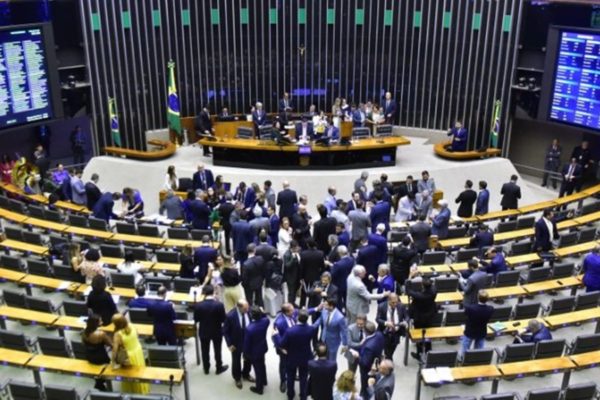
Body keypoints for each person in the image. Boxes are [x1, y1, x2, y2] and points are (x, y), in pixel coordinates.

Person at [280, 309, 318, 400]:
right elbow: (314, 342)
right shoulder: (311, 329)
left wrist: (276, 335)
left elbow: (282, 344)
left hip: (292, 357)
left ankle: (290, 395)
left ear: (297, 318)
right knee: (303, 378)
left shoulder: (290, 331)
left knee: (290, 377)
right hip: (305, 357)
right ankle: (303, 396)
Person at [194, 284, 229, 375]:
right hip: (216, 331)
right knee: (217, 350)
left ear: (204, 293)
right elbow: (223, 319)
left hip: (203, 331)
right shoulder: (219, 305)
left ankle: (206, 368)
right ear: (213, 292)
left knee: (205, 350)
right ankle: (219, 367)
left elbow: (196, 319)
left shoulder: (198, 305)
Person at [111, 314, 149, 394]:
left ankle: (134, 392)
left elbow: (115, 350)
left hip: (128, 355)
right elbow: (137, 336)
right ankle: (142, 389)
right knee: (139, 371)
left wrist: (113, 362)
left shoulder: (118, 334)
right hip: (137, 351)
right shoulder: (132, 325)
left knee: (130, 375)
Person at [223, 299, 254, 389]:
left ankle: (246, 374)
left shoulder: (248, 311)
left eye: (247, 308)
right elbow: (225, 331)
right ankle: (237, 378)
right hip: (236, 342)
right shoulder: (230, 316)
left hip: (248, 341)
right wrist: (229, 344)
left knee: (248, 359)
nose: (247, 310)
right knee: (236, 361)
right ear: (239, 307)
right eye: (245, 309)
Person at [351, 321, 385, 399]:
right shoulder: (379, 335)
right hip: (377, 363)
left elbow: (364, 363)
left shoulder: (369, 347)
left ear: (365, 331)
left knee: (365, 387)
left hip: (367, 371)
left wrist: (357, 356)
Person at [406, 277, 437, 359]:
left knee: (420, 335)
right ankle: (428, 350)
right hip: (430, 316)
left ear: (422, 286)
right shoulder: (434, 290)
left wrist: (409, 278)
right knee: (428, 333)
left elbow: (408, 291)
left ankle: (419, 353)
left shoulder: (420, 296)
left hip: (420, 318)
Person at [81, 314, 112, 391]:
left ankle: (99, 383)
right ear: (96, 323)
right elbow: (111, 344)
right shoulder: (101, 334)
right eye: (100, 320)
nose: (102, 321)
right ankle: (101, 383)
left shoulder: (84, 332)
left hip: (89, 356)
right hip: (101, 357)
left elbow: (83, 343)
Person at [243, 306, 269, 395]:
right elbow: (265, 317)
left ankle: (259, 388)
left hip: (254, 352)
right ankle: (264, 381)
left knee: (258, 369)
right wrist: (263, 312)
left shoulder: (249, 328)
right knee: (262, 365)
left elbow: (247, 344)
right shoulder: (266, 321)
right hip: (262, 348)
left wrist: (245, 355)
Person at [376, 293, 408, 360]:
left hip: (397, 332)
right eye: (393, 302)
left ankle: (389, 359)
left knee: (393, 347)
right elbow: (377, 319)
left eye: (396, 302)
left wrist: (405, 321)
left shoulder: (401, 306)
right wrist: (386, 323)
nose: (395, 304)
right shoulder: (381, 306)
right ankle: (389, 362)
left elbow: (407, 317)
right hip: (385, 332)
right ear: (388, 300)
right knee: (387, 350)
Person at [461, 290, 494, 354]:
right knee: (478, 351)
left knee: (465, 349)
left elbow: (466, 315)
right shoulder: (490, 309)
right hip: (482, 331)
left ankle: (463, 359)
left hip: (470, 331)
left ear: (478, 297)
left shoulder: (470, 308)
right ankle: (477, 360)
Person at [299, 239, 325, 307]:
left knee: (304, 292)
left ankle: (302, 305)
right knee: (315, 291)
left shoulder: (303, 254)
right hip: (316, 275)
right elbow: (322, 266)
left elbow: (301, 267)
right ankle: (314, 305)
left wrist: (301, 277)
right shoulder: (320, 253)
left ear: (308, 245)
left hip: (306, 276)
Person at [283, 240, 302, 305]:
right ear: (292, 248)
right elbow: (287, 266)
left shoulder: (298, 252)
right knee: (291, 292)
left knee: (295, 291)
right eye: (296, 248)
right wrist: (293, 259)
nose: (298, 249)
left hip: (297, 276)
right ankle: (290, 305)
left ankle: (293, 303)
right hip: (290, 277)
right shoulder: (287, 254)